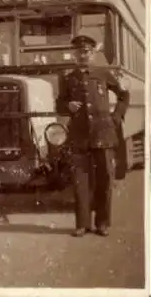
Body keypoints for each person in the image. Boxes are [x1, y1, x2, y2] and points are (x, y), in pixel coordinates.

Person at [55, 34, 130, 237]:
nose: (82, 55)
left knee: (104, 179)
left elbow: (124, 95)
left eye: (86, 51)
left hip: (103, 134)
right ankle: (82, 224)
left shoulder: (104, 73)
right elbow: (59, 104)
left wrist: (116, 116)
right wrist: (67, 106)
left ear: (92, 53)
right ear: (74, 54)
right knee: (80, 181)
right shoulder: (68, 78)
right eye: (79, 52)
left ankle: (103, 223)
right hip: (79, 137)